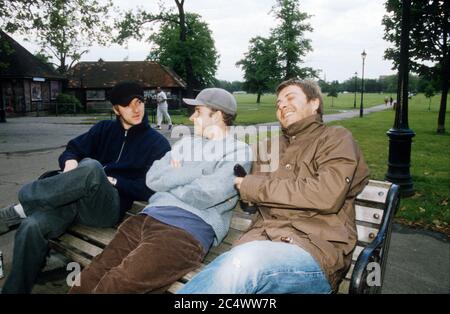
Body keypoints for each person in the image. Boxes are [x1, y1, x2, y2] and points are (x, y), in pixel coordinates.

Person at [178, 79, 370, 294]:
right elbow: (245, 193)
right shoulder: (268, 146)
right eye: (278, 103)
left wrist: (252, 185)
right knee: (235, 265)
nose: (282, 106)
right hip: (260, 243)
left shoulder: (336, 138)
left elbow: (326, 194)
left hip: (313, 251)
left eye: (290, 98)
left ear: (314, 103)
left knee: (243, 263)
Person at [68, 88, 252, 294]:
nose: (192, 118)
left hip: (184, 231)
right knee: (93, 273)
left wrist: (176, 177)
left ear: (217, 115)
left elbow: (209, 193)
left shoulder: (238, 150)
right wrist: (198, 172)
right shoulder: (186, 143)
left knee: (117, 284)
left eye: (198, 111)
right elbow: (153, 178)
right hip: (145, 218)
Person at [0, 81, 171, 294]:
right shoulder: (103, 129)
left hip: (107, 209)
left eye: (139, 102)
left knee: (91, 167)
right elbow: (72, 149)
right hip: (72, 201)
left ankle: (22, 205)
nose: (136, 109)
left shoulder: (158, 144)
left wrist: (113, 181)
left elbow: (152, 187)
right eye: (127, 105)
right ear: (115, 109)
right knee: (31, 227)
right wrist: (70, 163)